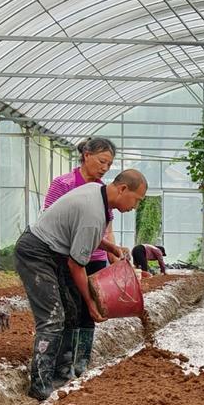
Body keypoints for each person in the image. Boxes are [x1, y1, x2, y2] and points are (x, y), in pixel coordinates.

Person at [15, 170, 148, 400]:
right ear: (123, 189)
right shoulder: (94, 214)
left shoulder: (96, 192)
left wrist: (109, 247)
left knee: (72, 312)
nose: (135, 206)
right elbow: (77, 265)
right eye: (136, 199)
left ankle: (62, 375)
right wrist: (91, 302)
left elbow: (81, 231)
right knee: (53, 317)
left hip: (53, 251)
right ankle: (40, 385)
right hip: (36, 253)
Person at [44, 137, 127, 378]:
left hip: (96, 254)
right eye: (102, 161)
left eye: (109, 165)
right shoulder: (63, 183)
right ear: (86, 155)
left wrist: (113, 255)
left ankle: (82, 361)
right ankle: (64, 360)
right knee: (71, 304)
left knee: (91, 306)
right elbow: (51, 218)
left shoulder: (104, 190)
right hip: (68, 254)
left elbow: (106, 227)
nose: (104, 168)